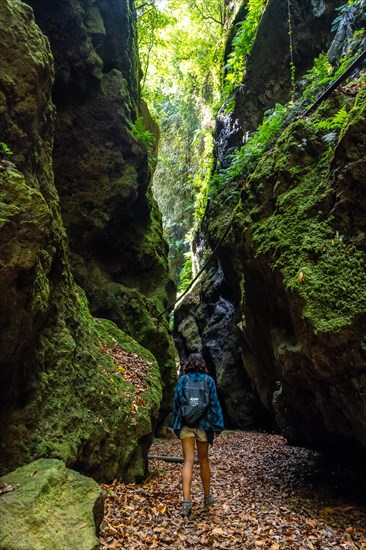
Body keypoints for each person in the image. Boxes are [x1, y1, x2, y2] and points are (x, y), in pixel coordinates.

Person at [173, 352, 224, 517]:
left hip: (186, 425)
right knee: (203, 460)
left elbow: (177, 403)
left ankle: (186, 502)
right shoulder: (208, 381)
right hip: (204, 425)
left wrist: (177, 425)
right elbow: (214, 404)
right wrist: (218, 425)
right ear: (202, 365)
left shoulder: (182, 381)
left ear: (188, 365)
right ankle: (207, 497)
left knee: (187, 460)